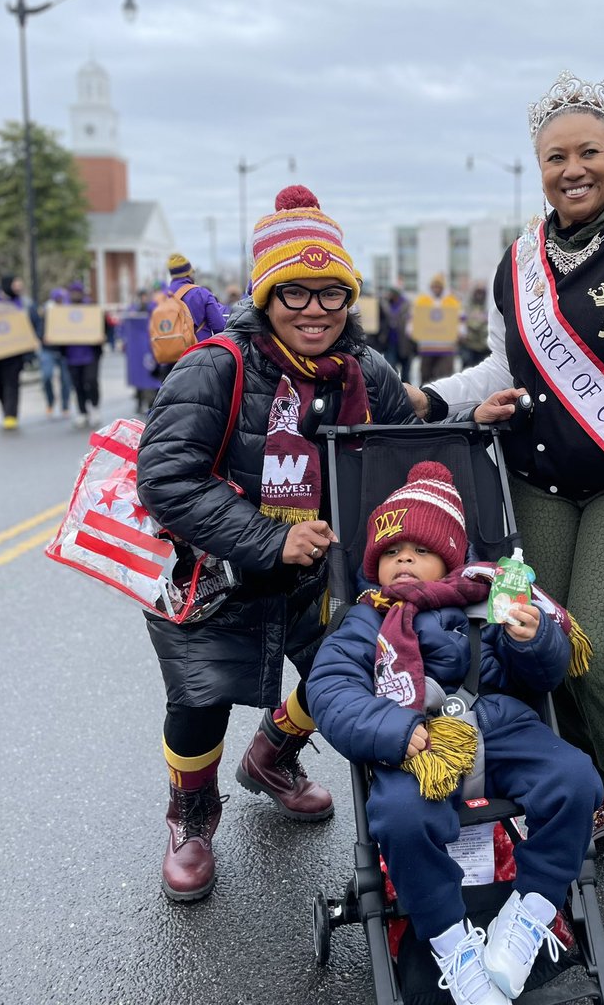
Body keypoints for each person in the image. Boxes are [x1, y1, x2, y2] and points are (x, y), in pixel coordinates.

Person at [403, 69, 604, 914]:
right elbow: (501, 366)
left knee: (602, 647)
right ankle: (601, 790)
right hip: (536, 483)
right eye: (557, 156)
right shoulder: (517, 264)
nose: (573, 168)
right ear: (540, 164)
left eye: (589, 151)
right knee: (539, 644)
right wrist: (433, 399)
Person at [136, 185, 420, 903]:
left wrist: (470, 413)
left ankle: (272, 756)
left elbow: (405, 442)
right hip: (215, 575)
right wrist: (269, 539)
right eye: (295, 292)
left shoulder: (366, 372)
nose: (315, 309)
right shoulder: (217, 366)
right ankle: (191, 814)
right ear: (266, 297)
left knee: (349, 677)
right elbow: (165, 479)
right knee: (199, 701)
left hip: (319, 577)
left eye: (332, 293)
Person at [307, 461, 602, 1005]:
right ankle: (453, 946)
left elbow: (539, 678)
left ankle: (531, 909)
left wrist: (532, 642)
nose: (401, 560)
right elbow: (330, 688)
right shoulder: (367, 620)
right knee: (398, 816)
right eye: (390, 553)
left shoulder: (487, 602)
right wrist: (393, 729)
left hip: (498, 726)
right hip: (415, 747)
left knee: (577, 779)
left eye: (416, 551)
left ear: (450, 556)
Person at [153, 254, 227, 379]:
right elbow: (220, 327)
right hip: (199, 358)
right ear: (189, 274)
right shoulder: (202, 293)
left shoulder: (161, 298)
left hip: (169, 361)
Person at [64, 280, 104, 428]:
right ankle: (82, 412)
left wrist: (101, 335)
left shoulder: (91, 308)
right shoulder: (63, 311)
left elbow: (103, 325)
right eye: (72, 292)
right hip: (71, 354)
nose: (75, 295)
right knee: (78, 385)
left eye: (77, 292)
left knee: (91, 380)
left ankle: (94, 406)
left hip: (90, 354)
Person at [412, 274, 460, 383]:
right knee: (425, 376)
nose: (436, 289)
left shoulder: (451, 301)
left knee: (445, 377)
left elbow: (460, 319)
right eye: (434, 286)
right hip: (427, 347)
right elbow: (414, 319)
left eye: (439, 286)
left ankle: (443, 399)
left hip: (446, 348)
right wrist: (413, 332)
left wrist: (460, 332)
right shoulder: (422, 300)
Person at [0, 275, 30, 431]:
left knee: (12, 384)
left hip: (15, 354)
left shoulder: (23, 303)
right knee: (0, 385)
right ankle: (7, 411)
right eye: (15, 284)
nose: (18, 287)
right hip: (0, 353)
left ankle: (11, 415)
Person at [39, 287, 73, 418]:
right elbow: (39, 327)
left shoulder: (68, 311)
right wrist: (43, 336)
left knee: (66, 380)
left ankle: (65, 405)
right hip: (48, 349)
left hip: (64, 350)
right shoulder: (47, 312)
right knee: (46, 376)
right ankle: (50, 402)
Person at [376, 285, 414, 382]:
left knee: (406, 371)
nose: (388, 295)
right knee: (390, 369)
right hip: (390, 342)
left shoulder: (407, 305)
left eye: (390, 293)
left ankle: (408, 393)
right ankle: (393, 390)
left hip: (405, 342)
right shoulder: (386, 304)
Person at [459, 283, 490, 368]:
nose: (479, 295)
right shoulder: (467, 307)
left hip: (484, 347)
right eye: (478, 292)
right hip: (469, 346)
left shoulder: (488, 307)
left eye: (482, 292)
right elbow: (464, 323)